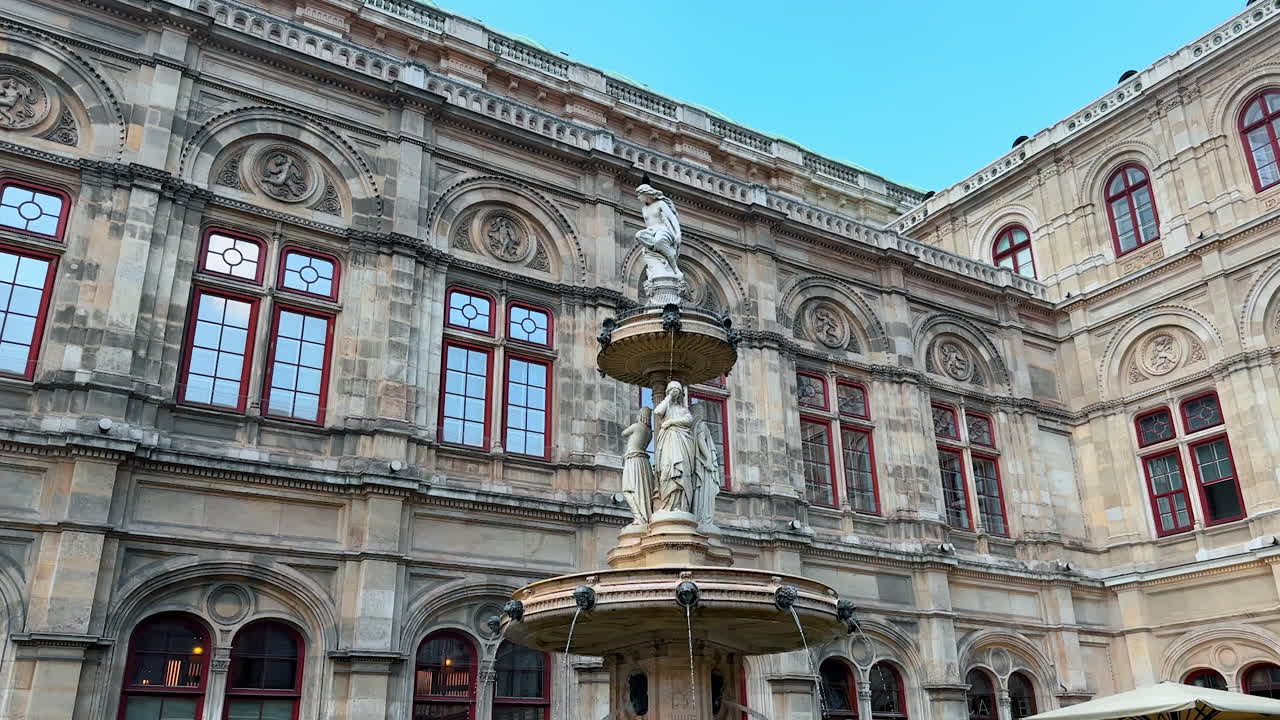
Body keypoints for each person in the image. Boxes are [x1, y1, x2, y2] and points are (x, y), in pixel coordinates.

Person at [653, 380, 695, 513]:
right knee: (667, 468)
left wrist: (671, 422)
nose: (675, 392)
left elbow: (689, 420)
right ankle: (666, 504)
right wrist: (668, 397)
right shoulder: (666, 407)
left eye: (678, 390)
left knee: (681, 470)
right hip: (668, 440)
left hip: (682, 441)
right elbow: (657, 411)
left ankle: (679, 505)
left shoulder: (683, 409)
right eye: (672, 390)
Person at [620, 407, 654, 524]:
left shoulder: (636, 426)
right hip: (644, 461)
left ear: (641, 415)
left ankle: (639, 517)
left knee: (628, 490)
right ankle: (643, 516)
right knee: (642, 491)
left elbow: (623, 433)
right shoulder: (649, 432)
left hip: (633, 460)